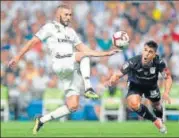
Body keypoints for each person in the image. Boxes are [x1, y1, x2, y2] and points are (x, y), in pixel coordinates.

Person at [8, 4, 120, 134]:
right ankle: (88, 88)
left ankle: (42, 120)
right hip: (59, 63)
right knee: (83, 56)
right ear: (58, 14)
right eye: (65, 14)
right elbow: (32, 42)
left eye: (70, 15)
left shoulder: (71, 32)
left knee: (73, 105)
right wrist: (17, 57)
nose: (68, 17)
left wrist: (105, 53)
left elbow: (85, 50)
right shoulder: (49, 27)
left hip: (70, 68)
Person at [106, 40, 172, 134]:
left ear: (154, 54)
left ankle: (160, 120)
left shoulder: (159, 62)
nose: (147, 54)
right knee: (133, 104)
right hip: (135, 85)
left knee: (156, 105)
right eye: (145, 50)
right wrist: (112, 79)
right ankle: (155, 120)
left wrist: (166, 92)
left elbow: (168, 77)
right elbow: (118, 74)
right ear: (142, 51)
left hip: (151, 86)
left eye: (150, 52)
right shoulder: (133, 62)